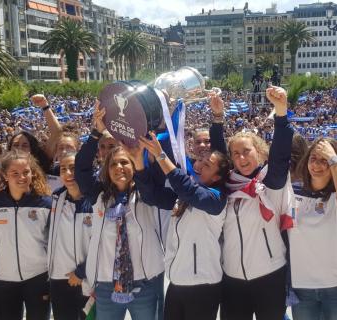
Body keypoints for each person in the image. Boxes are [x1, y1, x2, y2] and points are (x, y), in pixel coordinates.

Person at [136, 94, 231, 320]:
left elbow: (189, 189)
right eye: (200, 161)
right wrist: (137, 161)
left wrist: (160, 155)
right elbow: (151, 196)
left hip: (203, 285)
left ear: (218, 176)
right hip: (176, 282)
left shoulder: (216, 198)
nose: (200, 166)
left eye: (207, 165)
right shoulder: (183, 197)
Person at [75, 103, 166, 320]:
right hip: (107, 284)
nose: (119, 168)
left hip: (146, 282)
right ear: (106, 170)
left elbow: (155, 186)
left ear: (134, 166)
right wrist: (95, 133)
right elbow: (81, 169)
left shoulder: (146, 192)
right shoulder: (99, 196)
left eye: (125, 162)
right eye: (113, 164)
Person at [210, 86, 294, 320]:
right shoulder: (227, 184)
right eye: (235, 154)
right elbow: (218, 157)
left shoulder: (271, 182)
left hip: (269, 273)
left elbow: (281, 156)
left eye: (246, 151)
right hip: (233, 277)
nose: (241, 158)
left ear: (259, 151)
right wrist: (217, 119)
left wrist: (281, 113)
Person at [288, 138, 337, 320]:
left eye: (324, 160)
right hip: (302, 287)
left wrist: (333, 158)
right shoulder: (292, 192)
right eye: (313, 159)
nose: (317, 165)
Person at [0, 150, 52, 320]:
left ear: (32, 173)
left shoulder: (45, 203)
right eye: (15, 173)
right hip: (4, 278)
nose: (21, 177)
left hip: (38, 276)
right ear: (5, 176)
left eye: (26, 172)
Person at [47, 152, 93, 320]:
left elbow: (104, 242)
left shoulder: (96, 200)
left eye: (73, 168)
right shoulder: (55, 198)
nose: (68, 173)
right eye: (63, 169)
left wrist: (81, 272)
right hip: (59, 278)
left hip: (87, 278)